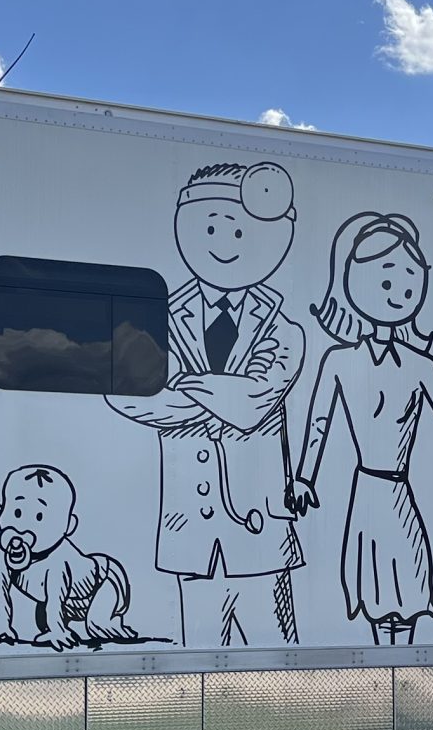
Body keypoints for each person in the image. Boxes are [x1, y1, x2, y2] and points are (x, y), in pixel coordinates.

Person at [107, 163, 305, 645]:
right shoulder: (159, 317)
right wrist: (225, 394)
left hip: (259, 527)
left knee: (278, 656)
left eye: (238, 229)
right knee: (197, 657)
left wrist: (183, 384)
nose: (224, 240)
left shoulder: (283, 327)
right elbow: (126, 394)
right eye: (211, 226)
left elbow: (254, 404)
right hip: (189, 527)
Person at [288, 211, 433, 645]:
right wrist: (305, 477)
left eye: (408, 283)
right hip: (367, 492)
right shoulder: (340, 360)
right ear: (354, 284)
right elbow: (319, 424)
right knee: (373, 591)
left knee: (408, 586)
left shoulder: (422, 366)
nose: (399, 293)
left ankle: (399, 660)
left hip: (398, 491)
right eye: (386, 282)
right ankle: (386, 664)